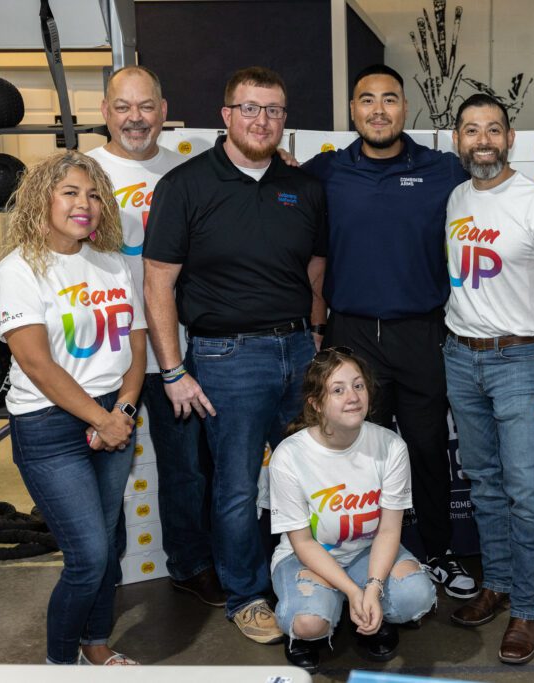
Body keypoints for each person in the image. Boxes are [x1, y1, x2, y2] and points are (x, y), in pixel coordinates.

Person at [142, 66, 328, 643]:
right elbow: (157, 282)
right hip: (226, 357)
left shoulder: (303, 186)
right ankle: (245, 595)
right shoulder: (186, 185)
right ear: (226, 116)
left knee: (311, 475)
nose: (262, 120)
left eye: (273, 110)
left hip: (299, 350)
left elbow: (315, 268)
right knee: (235, 486)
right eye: (250, 108)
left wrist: (317, 337)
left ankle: (311, 579)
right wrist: (173, 370)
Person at [301, 64, 476, 600]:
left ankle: (439, 552)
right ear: (353, 111)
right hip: (351, 338)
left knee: (425, 449)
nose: (379, 110)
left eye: (390, 99)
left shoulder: (443, 169)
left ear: (406, 108)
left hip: (422, 334)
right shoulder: (325, 172)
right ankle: (357, 562)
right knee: (358, 456)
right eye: (367, 100)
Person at [0, 151, 146, 665]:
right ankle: (59, 664)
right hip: (51, 425)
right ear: (42, 201)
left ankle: (96, 645)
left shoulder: (113, 261)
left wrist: (119, 411)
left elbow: (136, 346)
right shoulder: (19, 269)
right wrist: (100, 420)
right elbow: (35, 363)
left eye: (94, 194)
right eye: (71, 193)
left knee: (110, 545)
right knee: (88, 555)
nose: (85, 204)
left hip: (114, 413)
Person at [443, 93, 534, 664]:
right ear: (457, 141)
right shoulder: (455, 196)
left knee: (525, 489)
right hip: (459, 354)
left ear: (510, 137)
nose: (483, 140)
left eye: (493, 129)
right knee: (484, 482)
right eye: (472, 130)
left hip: (521, 361)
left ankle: (525, 608)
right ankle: (496, 583)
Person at [86, 65, 223, 607]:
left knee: (186, 466)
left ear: (164, 111)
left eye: (146, 107)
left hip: (174, 350)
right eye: (123, 107)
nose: (135, 118)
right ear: (105, 111)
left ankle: (190, 564)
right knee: (103, 473)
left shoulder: (187, 172)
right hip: (105, 353)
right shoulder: (82, 172)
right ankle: (101, 575)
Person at [269, 348, 437, 672]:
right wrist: (352, 589)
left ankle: (367, 612)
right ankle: (321, 621)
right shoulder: (289, 456)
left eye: (358, 385)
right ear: (316, 404)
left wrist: (372, 588)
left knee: (417, 597)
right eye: (338, 389)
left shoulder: (390, 446)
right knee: (308, 623)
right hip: (308, 556)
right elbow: (302, 543)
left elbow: (389, 530)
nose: (353, 397)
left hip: (366, 551)